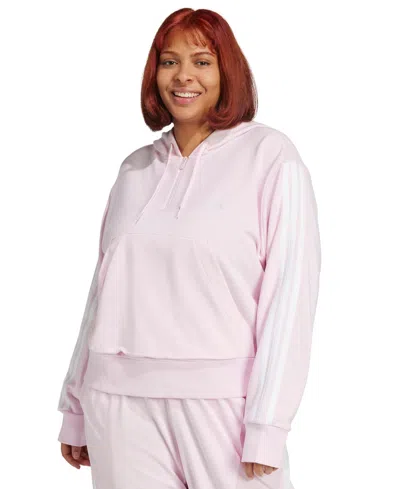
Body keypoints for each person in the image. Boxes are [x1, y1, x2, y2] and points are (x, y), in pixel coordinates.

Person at [57, 7, 321, 489]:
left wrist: (268, 424)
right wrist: (75, 406)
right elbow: (103, 293)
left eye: (202, 62)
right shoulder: (134, 170)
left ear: (227, 72)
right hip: (118, 407)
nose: (183, 76)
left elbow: (289, 299)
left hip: (223, 410)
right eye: (169, 62)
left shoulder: (270, 157)